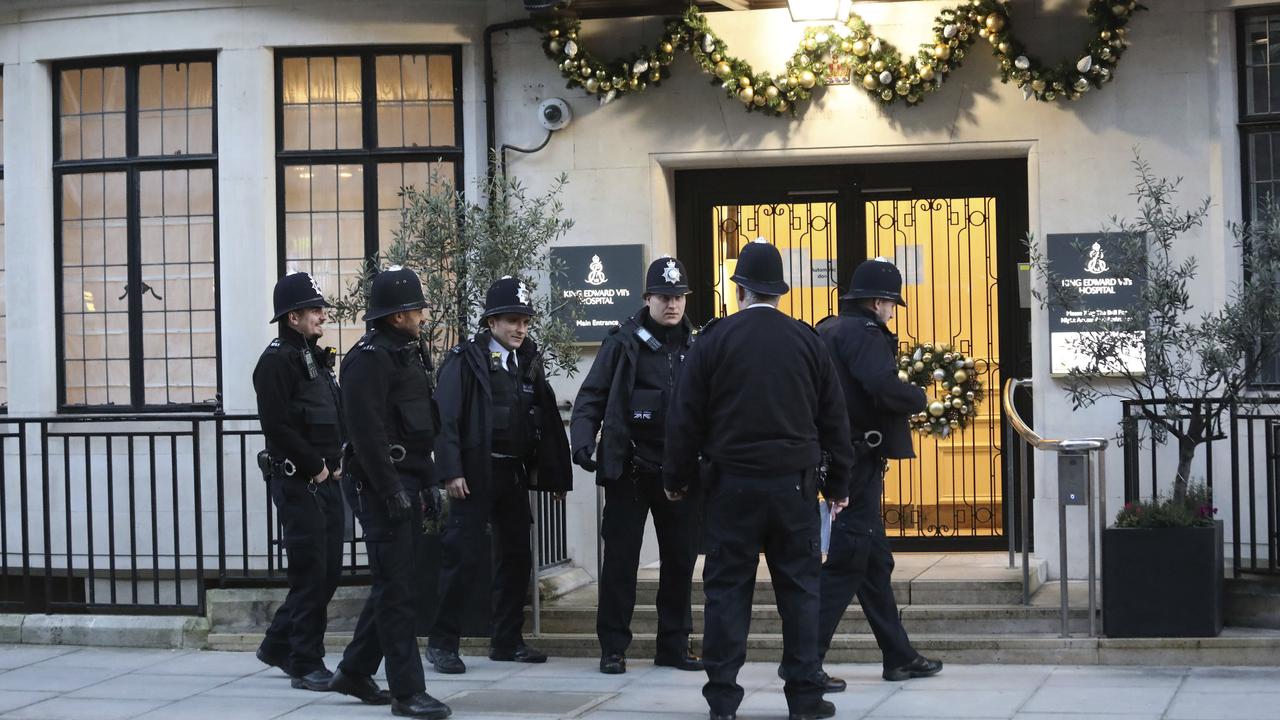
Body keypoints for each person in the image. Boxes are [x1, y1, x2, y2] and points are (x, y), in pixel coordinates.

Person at [664, 240, 855, 720]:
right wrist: (838, 485)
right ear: (778, 291)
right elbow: (835, 419)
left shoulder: (712, 340)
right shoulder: (808, 341)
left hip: (732, 486)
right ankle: (805, 698)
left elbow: (684, 417)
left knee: (727, 590)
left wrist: (677, 477)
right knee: (800, 590)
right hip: (793, 485)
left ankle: (724, 698)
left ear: (741, 289)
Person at [427, 276, 572, 674]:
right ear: (491, 322)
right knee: (461, 560)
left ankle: (507, 641)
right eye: (511, 320)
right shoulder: (464, 359)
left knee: (516, 559)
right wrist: (451, 470)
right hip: (474, 474)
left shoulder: (526, 360)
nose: (520, 328)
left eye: (524, 320)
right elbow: (447, 419)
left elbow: (541, 417)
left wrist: (554, 475)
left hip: (512, 472)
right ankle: (442, 645)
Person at [814, 258, 943, 687]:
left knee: (873, 563)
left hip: (838, 456)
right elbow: (880, 385)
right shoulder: (865, 333)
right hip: (858, 461)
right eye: (891, 303)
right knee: (849, 560)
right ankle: (805, 660)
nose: (892, 312)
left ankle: (899, 656)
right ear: (877, 301)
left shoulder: (829, 328)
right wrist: (918, 397)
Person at [571, 256, 703, 675]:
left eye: (679, 296)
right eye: (664, 296)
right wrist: (582, 441)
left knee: (680, 562)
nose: (672, 304)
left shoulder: (696, 345)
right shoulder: (622, 342)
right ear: (647, 298)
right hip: (629, 469)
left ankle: (674, 646)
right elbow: (591, 396)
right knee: (621, 564)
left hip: (678, 473)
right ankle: (613, 648)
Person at [330, 267, 451, 719]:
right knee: (397, 588)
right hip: (380, 484)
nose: (423, 313)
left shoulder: (408, 351)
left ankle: (355, 670)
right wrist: (390, 490)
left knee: (401, 583)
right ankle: (407, 692)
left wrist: (431, 480)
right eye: (417, 307)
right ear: (398, 315)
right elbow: (367, 434)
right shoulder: (368, 359)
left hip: (410, 477)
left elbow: (422, 423)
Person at [253, 271, 345, 692]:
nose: (322, 315)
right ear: (293, 317)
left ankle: (276, 645)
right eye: (314, 309)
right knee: (311, 574)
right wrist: (316, 466)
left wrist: (337, 461)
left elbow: (331, 415)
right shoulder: (275, 361)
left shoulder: (312, 356)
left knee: (327, 573)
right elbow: (278, 427)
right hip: (298, 481)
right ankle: (305, 661)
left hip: (324, 478)